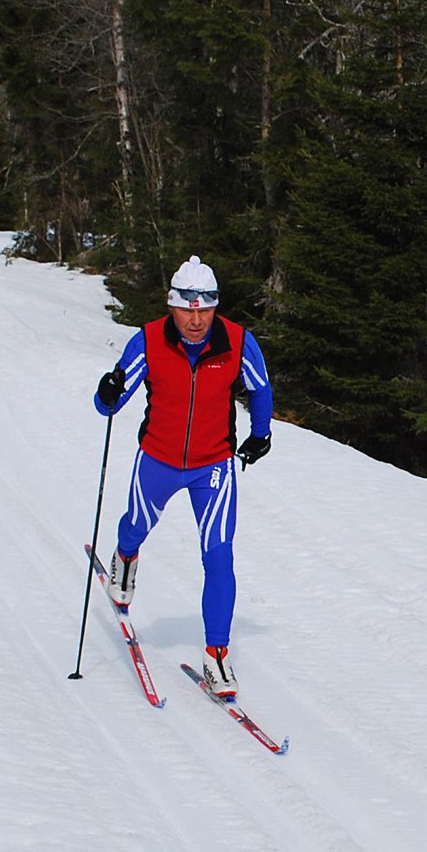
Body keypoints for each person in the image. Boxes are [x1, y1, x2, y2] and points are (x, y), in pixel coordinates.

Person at [93, 255, 272, 699]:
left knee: (219, 556)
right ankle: (125, 557)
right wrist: (107, 390)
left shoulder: (237, 341)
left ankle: (217, 655)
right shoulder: (149, 341)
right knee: (136, 525)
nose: (196, 320)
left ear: (215, 308)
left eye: (205, 310)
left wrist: (261, 435)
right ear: (172, 306)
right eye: (187, 310)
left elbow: (260, 388)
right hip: (158, 459)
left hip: (213, 466)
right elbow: (109, 405)